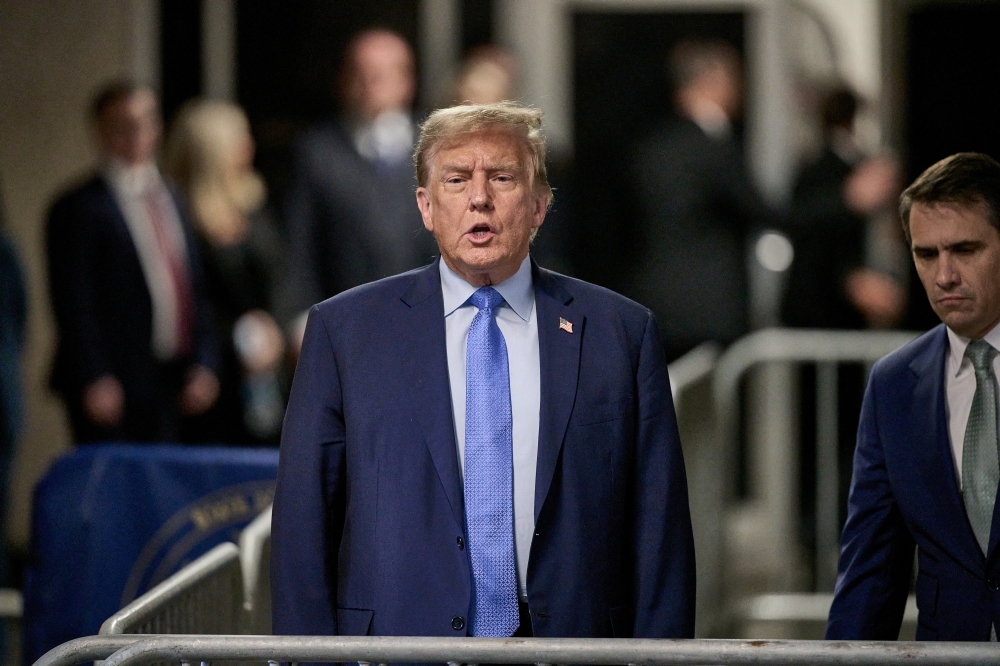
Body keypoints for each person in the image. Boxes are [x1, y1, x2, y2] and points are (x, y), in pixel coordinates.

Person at [271, 102, 695, 639]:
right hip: (399, 649)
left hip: (573, 647)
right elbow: (302, 528)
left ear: (540, 205)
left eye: (502, 177)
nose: (479, 198)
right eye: (456, 179)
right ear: (425, 207)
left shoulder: (621, 334)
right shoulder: (344, 332)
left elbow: (661, 534)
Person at [827, 152, 1000, 640]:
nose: (944, 275)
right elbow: (870, 570)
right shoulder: (894, 385)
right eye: (926, 255)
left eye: (965, 250)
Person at [46, 82, 220, 444]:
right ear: (101, 132)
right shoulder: (79, 206)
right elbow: (73, 301)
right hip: (113, 383)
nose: (138, 133)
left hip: (172, 376)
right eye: (124, 124)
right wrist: (95, 374)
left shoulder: (172, 195)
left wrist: (205, 362)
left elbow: (195, 288)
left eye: (147, 121)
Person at [281, 29, 437, 352]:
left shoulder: (437, 147)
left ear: (408, 81)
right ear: (342, 80)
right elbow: (301, 244)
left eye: (382, 74)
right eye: (360, 73)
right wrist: (300, 319)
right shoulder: (317, 153)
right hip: (346, 329)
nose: (370, 84)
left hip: (430, 327)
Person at [629, 39, 775, 361]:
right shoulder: (712, 143)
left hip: (656, 302)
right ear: (714, 81)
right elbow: (757, 210)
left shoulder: (652, 146)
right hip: (711, 308)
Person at [164, 99, 287, 444]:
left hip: (265, 373)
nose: (249, 146)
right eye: (239, 137)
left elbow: (280, 277)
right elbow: (192, 300)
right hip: (214, 377)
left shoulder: (256, 202)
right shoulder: (180, 217)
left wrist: (275, 329)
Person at [782, 87, 905, 330]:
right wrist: (851, 282)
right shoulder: (824, 173)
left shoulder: (821, 168)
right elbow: (808, 231)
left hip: (840, 314)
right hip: (823, 312)